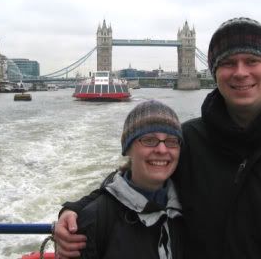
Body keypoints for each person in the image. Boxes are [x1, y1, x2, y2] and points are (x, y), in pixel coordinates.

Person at [54, 17, 261, 258]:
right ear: (214, 72)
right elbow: (132, 181)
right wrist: (76, 209)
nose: (240, 72)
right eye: (227, 63)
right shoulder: (187, 142)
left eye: (252, 61)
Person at [55, 100, 185, 259]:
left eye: (172, 141)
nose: (162, 149)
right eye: (149, 140)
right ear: (128, 149)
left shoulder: (192, 206)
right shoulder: (95, 220)